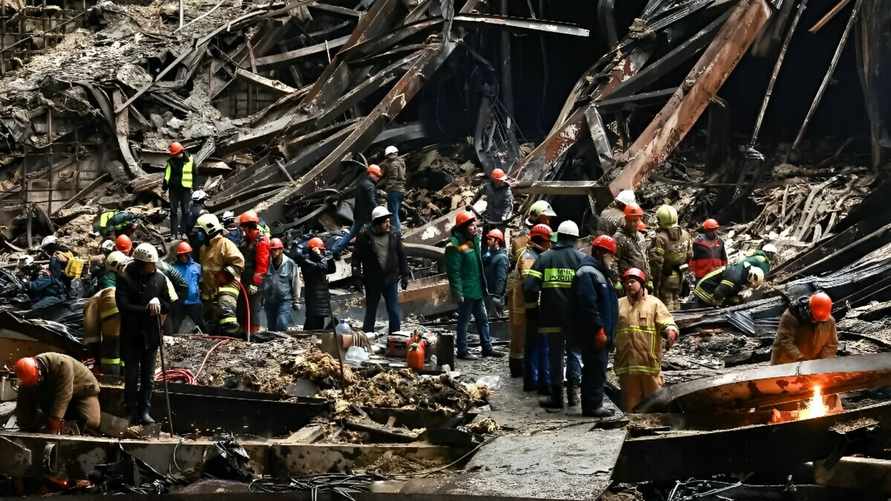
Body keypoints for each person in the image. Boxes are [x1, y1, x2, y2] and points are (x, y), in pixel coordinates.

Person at [524, 220, 585, 409]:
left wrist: (533, 309)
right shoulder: (582, 259)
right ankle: (574, 395)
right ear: (575, 239)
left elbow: (530, 287)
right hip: (575, 319)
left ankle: (556, 397)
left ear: (558, 237)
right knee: (574, 353)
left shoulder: (544, 258)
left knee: (555, 356)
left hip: (551, 317)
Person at [115, 243, 173, 424]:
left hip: (151, 335)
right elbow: (123, 306)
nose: (154, 267)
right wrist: (147, 309)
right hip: (132, 335)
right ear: (140, 263)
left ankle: (145, 411)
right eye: (150, 264)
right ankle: (131, 410)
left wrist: (160, 303)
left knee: (148, 377)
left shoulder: (160, 279)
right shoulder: (125, 278)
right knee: (131, 376)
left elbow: (168, 304)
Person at [615, 268, 679, 411]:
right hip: (626, 366)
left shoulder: (654, 303)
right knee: (630, 407)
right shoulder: (618, 304)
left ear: (642, 283)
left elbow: (667, 321)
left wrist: (671, 332)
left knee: (655, 405)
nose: (629, 285)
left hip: (649, 365)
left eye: (632, 282)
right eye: (626, 283)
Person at [573, 235, 619, 417]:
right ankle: (592, 406)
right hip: (594, 333)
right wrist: (598, 329)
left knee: (597, 367)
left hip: (602, 332)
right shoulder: (588, 272)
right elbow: (588, 305)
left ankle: (594, 403)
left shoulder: (599, 272)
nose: (613, 259)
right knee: (595, 368)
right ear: (600, 252)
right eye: (611, 254)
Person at [446, 210, 502, 360]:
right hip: (466, 291)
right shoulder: (455, 245)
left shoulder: (472, 241)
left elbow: (478, 261)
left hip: (477, 288)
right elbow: (454, 271)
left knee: (483, 319)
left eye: (474, 224)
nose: (474, 227)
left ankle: (487, 348)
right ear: (462, 227)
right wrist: (458, 292)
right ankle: (462, 351)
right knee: (464, 321)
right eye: (471, 225)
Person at [353, 206, 410, 334]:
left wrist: (405, 274)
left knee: (394, 310)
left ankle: (395, 337)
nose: (389, 224)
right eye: (386, 222)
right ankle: (367, 337)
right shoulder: (364, 237)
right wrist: (356, 277)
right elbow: (356, 258)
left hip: (391, 278)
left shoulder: (394, 234)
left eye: (389, 221)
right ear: (377, 223)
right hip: (372, 280)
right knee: (371, 310)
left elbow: (401, 255)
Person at [14, 354, 100, 434]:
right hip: (53, 390)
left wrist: (54, 425)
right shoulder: (27, 373)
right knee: (27, 392)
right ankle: (44, 422)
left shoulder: (63, 365)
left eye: (35, 381)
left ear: (39, 372)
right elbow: (23, 399)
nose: (34, 383)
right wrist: (24, 424)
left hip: (82, 390)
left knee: (92, 422)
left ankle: (68, 427)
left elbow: (63, 396)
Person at [512, 223, 552, 391]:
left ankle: (533, 380)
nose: (550, 245)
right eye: (548, 241)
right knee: (536, 344)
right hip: (531, 307)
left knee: (533, 344)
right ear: (542, 241)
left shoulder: (533, 254)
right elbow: (530, 285)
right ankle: (534, 380)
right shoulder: (530, 257)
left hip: (530, 306)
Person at [196, 213, 245, 337]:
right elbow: (205, 270)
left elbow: (239, 262)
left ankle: (235, 344)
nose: (198, 234)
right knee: (212, 323)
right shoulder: (203, 248)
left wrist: (226, 274)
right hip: (210, 291)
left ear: (209, 229)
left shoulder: (225, 243)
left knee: (227, 319)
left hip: (227, 288)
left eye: (200, 231)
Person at [771, 292, 837, 365]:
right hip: (786, 362)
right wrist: (800, 359)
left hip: (811, 362)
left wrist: (823, 363)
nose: (816, 321)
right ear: (808, 309)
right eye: (814, 318)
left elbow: (831, 344)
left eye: (819, 320)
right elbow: (785, 341)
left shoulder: (828, 320)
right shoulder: (791, 316)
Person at [648, 205, 692, 310]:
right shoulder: (685, 234)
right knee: (676, 299)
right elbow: (690, 254)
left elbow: (657, 262)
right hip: (681, 274)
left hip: (665, 276)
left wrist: (654, 280)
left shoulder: (660, 238)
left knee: (666, 302)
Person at [332, 164, 381, 256]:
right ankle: (377, 251)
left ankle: (335, 250)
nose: (378, 178)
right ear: (371, 174)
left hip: (359, 214)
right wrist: (378, 210)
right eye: (377, 175)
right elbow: (371, 201)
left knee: (351, 234)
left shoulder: (362, 182)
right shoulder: (369, 186)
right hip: (367, 216)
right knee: (374, 234)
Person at [237, 210, 270, 334]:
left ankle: (254, 333)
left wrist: (255, 284)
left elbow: (262, 265)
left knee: (253, 308)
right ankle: (244, 332)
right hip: (245, 280)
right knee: (242, 308)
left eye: (243, 227)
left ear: (248, 226)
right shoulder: (246, 241)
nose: (242, 230)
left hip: (255, 283)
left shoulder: (261, 242)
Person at [295, 237, 336, 330]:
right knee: (313, 322)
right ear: (313, 249)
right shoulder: (307, 261)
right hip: (314, 297)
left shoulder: (318, 260)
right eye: (320, 250)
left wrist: (330, 258)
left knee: (319, 322)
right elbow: (323, 267)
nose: (321, 252)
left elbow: (332, 269)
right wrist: (320, 256)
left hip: (322, 297)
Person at [264, 238, 299, 332]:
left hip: (284, 300)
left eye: (275, 250)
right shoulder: (265, 263)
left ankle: (282, 340)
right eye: (271, 250)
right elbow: (262, 281)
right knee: (271, 327)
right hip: (269, 300)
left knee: (282, 324)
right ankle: (274, 345)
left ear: (281, 250)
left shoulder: (290, 263)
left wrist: (296, 300)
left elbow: (295, 282)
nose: (273, 252)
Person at [613, 202, 651, 290]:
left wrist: (649, 278)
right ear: (626, 219)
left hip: (642, 281)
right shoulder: (618, 238)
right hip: (629, 283)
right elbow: (614, 261)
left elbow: (645, 257)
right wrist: (616, 280)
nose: (634, 223)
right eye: (632, 221)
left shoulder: (640, 236)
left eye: (636, 220)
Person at [692, 262, 764, 307]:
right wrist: (725, 303)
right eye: (749, 285)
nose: (747, 286)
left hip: (710, 287)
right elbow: (718, 293)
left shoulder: (742, 274)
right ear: (750, 278)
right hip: (705, 290)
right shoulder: (735, 277)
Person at [161, 142, 195, 238]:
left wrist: (195, 188)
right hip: (173, 190)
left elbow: (195, 173)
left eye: (176, 154)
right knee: (173, 211)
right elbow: (167, 176)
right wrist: (164, 187)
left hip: (185, 189)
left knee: (185, 211)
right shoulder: (170, 161)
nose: (175, 156)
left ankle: (183, 232)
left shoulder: (190, 160)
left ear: (181, 151)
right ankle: (173, 234)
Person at [510, 200, 557, 267]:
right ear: (536, 217)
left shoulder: (539, 233)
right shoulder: (524, 237)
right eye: (545, 219)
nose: (548, 222)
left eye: (549, 219)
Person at [171, 241, 203, 333]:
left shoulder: (197, 267)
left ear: (189, 254)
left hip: (194, 301)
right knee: (175, 325)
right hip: (179, 302)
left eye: (185, 255)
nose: (183, 257)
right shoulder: (173, 267)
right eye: (181, 255)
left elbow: (200, 282)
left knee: (199, 325)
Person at [482, 229, 509, 319]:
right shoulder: (489, 254)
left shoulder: (501, 258)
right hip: (487, 295)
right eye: (487, 239)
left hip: (495, 297)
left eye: (490, 239)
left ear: (497, 241)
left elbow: (501, 278)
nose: (488, 241)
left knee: (495, 322)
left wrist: (497, 296)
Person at [380, 145, 406, 233]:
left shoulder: (393, 165)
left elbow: (393, 178)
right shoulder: (401, 162)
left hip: (394, 190)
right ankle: (398, 229)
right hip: (401, 190)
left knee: (393, 214)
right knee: (396, 212)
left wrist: (386, 189)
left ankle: (397, 233)